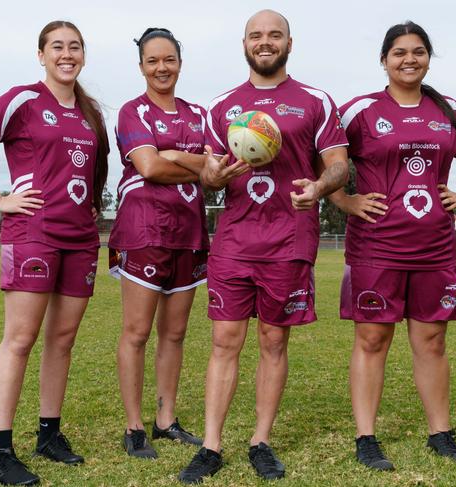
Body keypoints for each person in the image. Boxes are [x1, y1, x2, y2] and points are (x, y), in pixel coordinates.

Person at [178, 9, 349, 483]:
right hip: (235, 240)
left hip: (289, 240)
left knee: (274, 341)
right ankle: (211, 446)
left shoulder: (315, 101)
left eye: (275, 35)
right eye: (257, 35)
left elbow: (339, 164)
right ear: (244, 44)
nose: (265, 42)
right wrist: (212, 174)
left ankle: (261, 440)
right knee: (224, 341)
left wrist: (318, 187)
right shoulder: (222, 106)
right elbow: (208, 174)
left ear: (290, 44)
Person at [330, 21, 456, 471]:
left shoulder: (448, 110)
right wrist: (344, 199)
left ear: (428, 57)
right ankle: (366, 436)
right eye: (399, 52)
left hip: (435, 246)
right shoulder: (360, 111)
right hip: (376, 245)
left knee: (432, 340)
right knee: (372, 338)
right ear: (384, 60)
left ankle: (440, 433)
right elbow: (321, 158)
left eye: (418, 52)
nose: (409, 59)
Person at [0, 21, 109, 486]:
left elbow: (93, 169)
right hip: (33, 234)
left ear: (83, 54)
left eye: (74, 47)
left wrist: (93, 202)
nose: (67, 54)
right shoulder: (23, 99)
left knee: (63, 340)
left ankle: (49, 434)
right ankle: (0, 449)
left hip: (80, 238)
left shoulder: (89, 112)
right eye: (57, 47)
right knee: (20, 339)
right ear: (41, 55)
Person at [108, 28, 209, 459]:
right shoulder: (133, 112)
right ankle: (133, 427)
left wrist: (174, 157)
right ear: (142, 67)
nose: (161, 68)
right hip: (144, 230)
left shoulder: (200, 114)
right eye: (152, 61)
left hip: (189, 231)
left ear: (180, 63)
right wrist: (192, 164)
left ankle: (165, 420)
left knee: (175, 333)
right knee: (136, 332)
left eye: (169, 59)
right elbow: (148, 167)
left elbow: (220, 166)